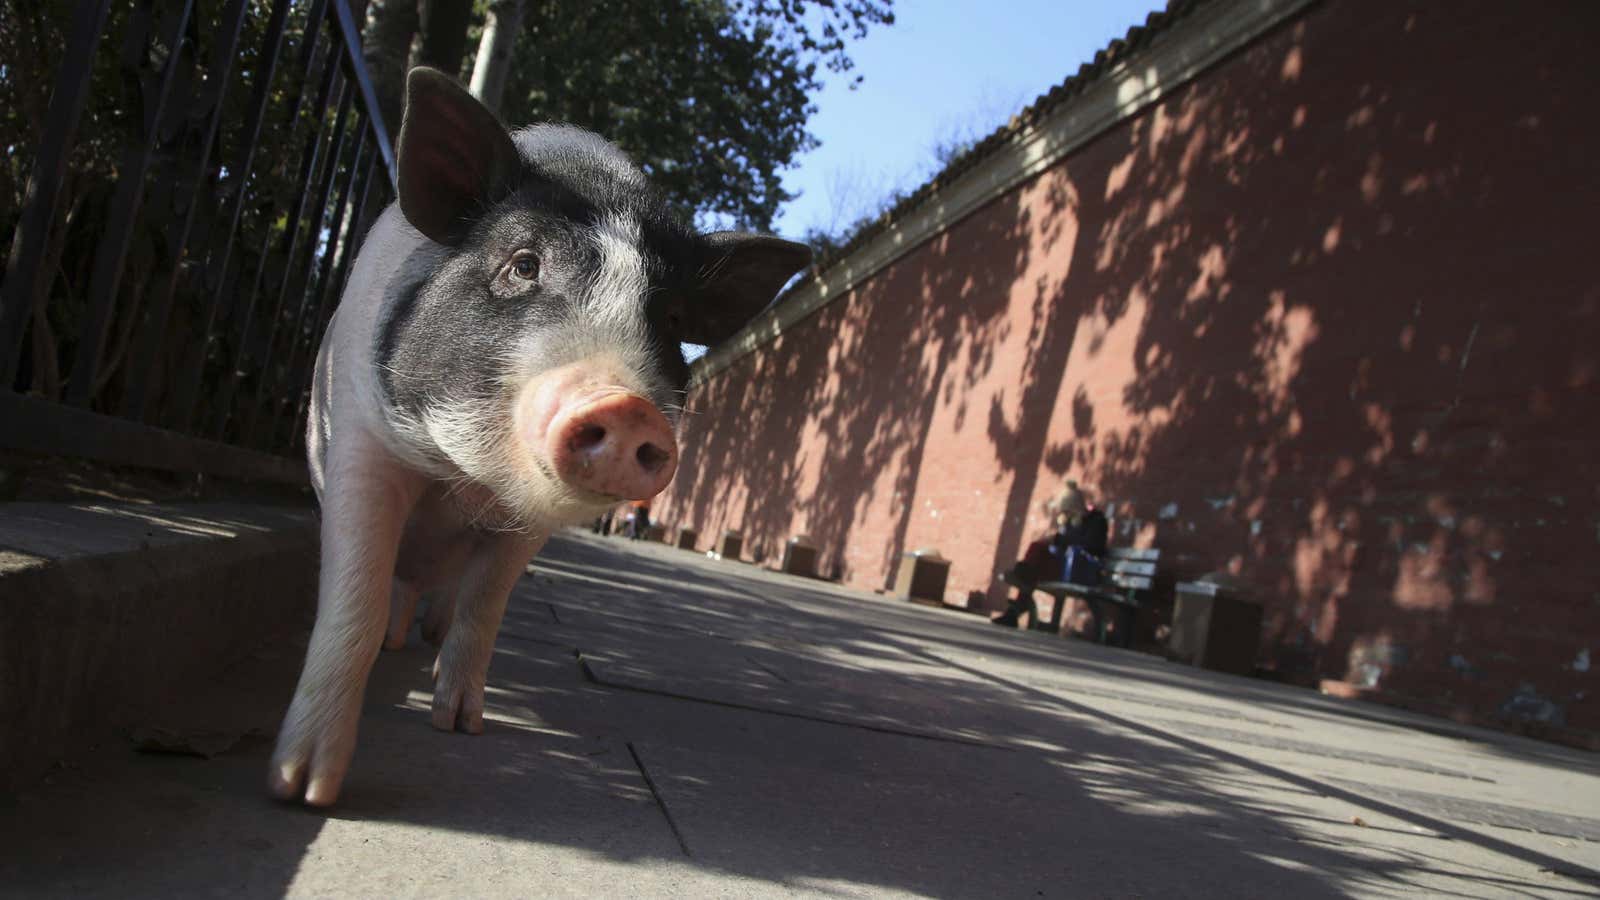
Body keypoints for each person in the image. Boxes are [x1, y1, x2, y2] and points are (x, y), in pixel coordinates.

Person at [991, 480, 1108, 627]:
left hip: (1083, 572)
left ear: (1076, 507)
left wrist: (1060, 538)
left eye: (1069, 511)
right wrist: (1056, 538)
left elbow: (1092, 546)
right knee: (1038, 547)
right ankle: (1023, 579)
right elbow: (1063, 544)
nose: (1067, 515)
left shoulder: (1096, 521)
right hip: (1066, 569)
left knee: (1031, 572)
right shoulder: (1070, 522)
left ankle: (1016, 603)